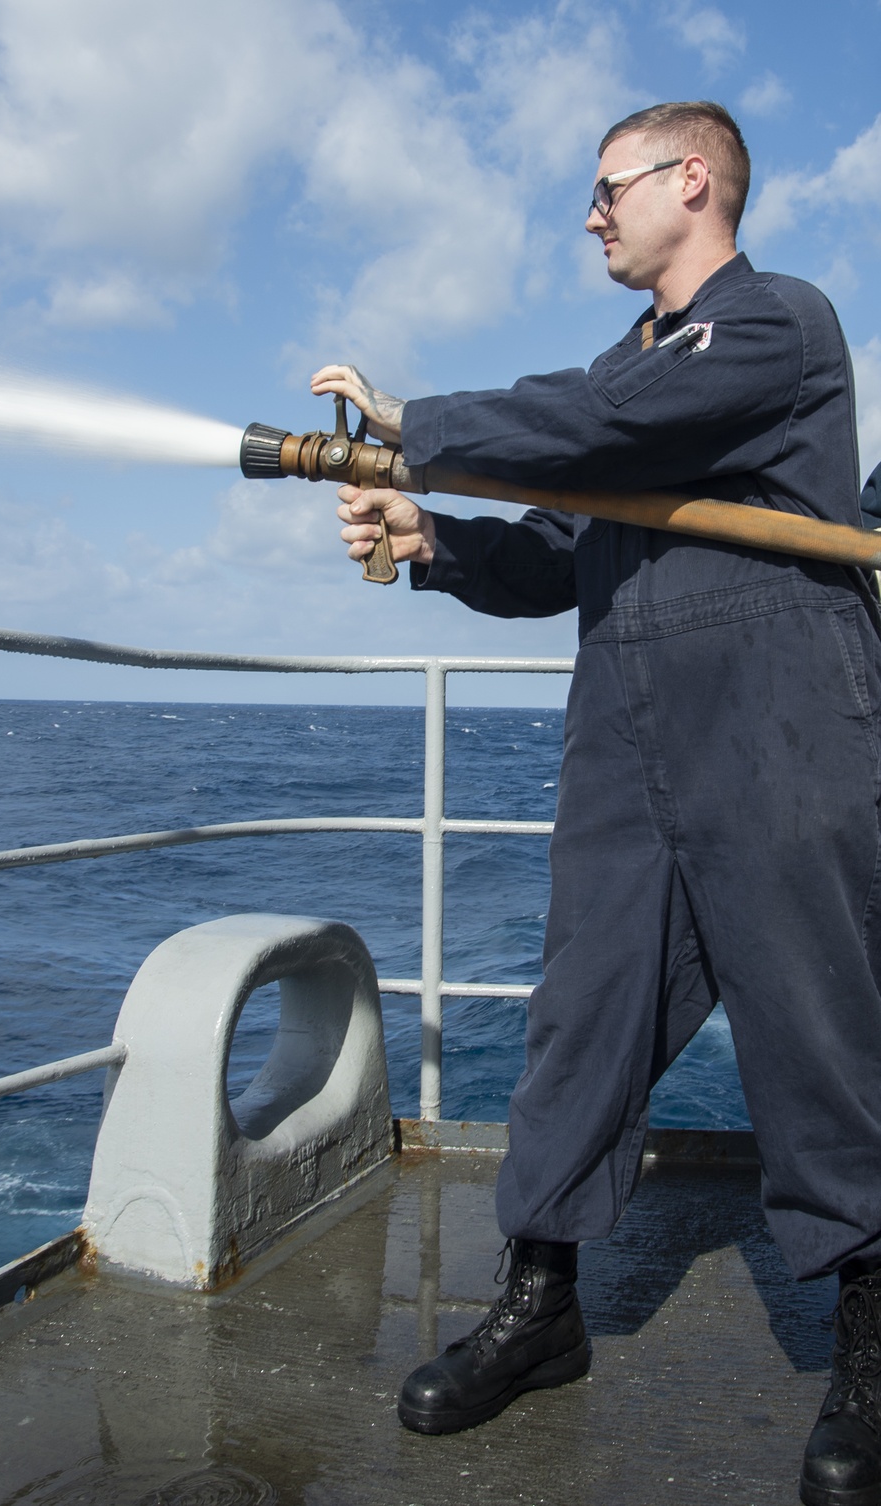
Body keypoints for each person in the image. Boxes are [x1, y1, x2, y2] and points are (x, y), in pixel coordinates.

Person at [311, 101, 881, 1506]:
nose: (589, 212)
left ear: (694, 181)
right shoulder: (613, 377)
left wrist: (419, 422)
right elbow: (561, 547)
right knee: (580, 1019)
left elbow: (613, 423)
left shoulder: (773, 330)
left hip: (780, 719)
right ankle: (544, 1300)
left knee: (820, 1034)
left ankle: (871, 1335)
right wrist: (433, 535)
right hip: (624, 733)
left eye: (605, 187)